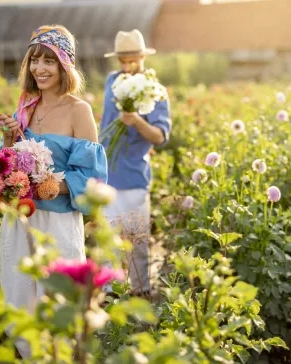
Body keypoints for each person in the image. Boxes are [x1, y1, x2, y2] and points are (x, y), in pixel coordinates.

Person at [0, 24, 107, 358]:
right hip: (21, 223)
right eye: (34, 60)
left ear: (65, 65)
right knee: (20, 300)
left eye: (49, 61)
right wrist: (7, 142)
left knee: (60, 302)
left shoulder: (78, 110)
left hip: (57, 224)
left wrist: (51, 186)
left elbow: (93, 176)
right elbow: (5, 164)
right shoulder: (24, 109)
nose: (40, 69)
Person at [100, 29, 172, 296]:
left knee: (136, 243)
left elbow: (160, 137)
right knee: (107, 242)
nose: (128, 66)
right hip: (107, 173)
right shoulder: (111, 81)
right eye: (123, 61)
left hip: (133, 177)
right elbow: (105, 123)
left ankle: (140, 294)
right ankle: (108, 295)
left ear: (143, 57)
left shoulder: (156, 91)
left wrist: (136, 120)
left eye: (133, 60)